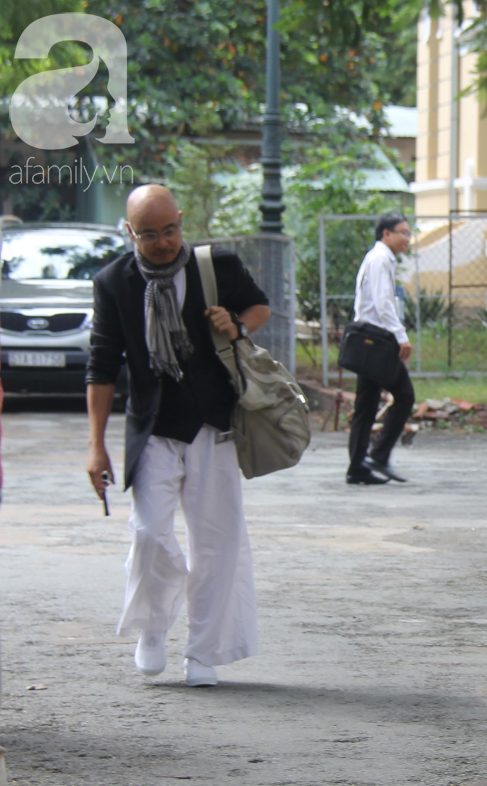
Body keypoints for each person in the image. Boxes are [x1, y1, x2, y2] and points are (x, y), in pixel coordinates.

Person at [85, 185, 271, 687]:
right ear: (130, 232)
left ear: (182, 220)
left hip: (216, 423)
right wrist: (95, 443)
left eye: (170, 230)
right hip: (153, 428)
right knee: (149, 533)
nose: (164, 242)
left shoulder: (216, 267)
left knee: (218, 540)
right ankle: (152, 625)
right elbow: (101, 368)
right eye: (150, 234)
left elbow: (259, 309)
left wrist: (235, 326)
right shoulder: (114, 283)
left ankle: (204, 651)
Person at [346, 214, 415, 485]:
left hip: (372, 339)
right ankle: (378, 456)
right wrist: (401, 336)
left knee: (366, 403)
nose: (407, 239)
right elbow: (383, 302)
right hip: (376, 339)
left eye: (409, 234)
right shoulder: (380, 259)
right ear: (386, 234)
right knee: (405, 395)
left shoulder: (381, 258)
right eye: (403, 233)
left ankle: (358, 467)